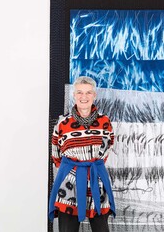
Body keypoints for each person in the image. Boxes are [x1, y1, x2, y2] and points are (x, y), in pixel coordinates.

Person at [48, 76, 116, 232]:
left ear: (94, 95)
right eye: (79, 92)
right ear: (74, 95)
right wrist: (73, 169)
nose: (83, 97)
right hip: (69, 181)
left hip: (96, 179)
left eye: (88, 93)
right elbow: (56, 154)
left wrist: (90, 165)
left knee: (101, 228)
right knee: (68, 229)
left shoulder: (104, 121)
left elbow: (107, 148)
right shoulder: (62, 123)